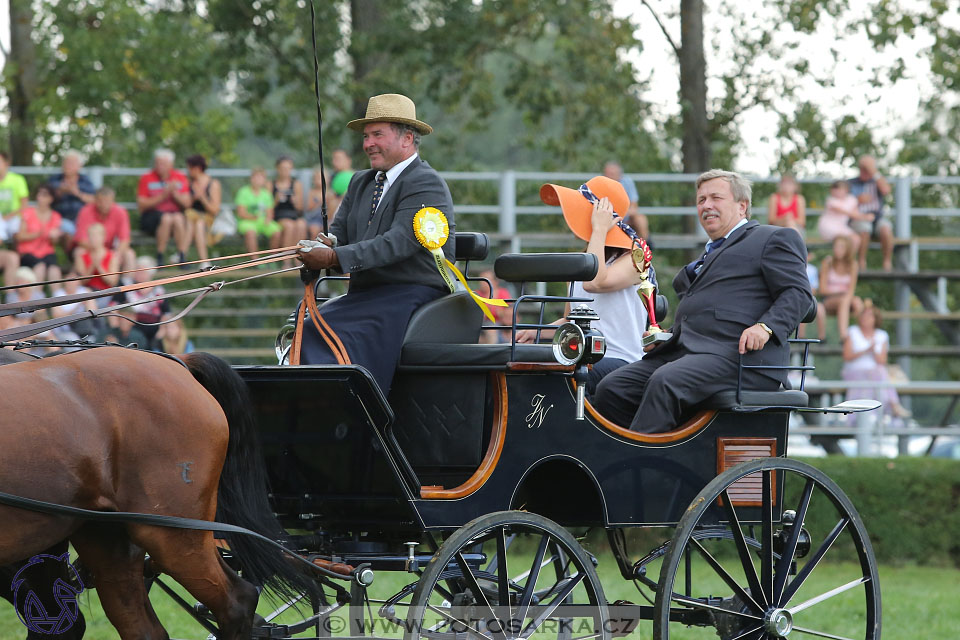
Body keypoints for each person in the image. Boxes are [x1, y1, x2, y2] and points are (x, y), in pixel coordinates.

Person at [591, 169, 813, 433]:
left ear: (742, 206)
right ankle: (650, 461)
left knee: (666, 381)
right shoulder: (707, 254)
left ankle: (640, 468)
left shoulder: (771, 238)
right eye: (701, 200)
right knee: (613, 387)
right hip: (688, 354)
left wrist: (765, 327)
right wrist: (667, 337)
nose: (706, 205)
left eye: (716, 198)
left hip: (741, 359)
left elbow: (799, 294)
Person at [296, 93, 455, 394]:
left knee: (333, 328)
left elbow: (398, 242)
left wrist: (332, 257)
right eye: (366, 136)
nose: (368, 144)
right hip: (367, 294)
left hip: (409, 293)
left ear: (407, 138)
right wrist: (324, 243)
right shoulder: (362, 181)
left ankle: (362, 409)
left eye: (377, 134)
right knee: (305, 322)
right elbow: (339, 231)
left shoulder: (425, 182)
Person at [517, 177, 650, 394]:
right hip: (582, 356)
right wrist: (537, 332)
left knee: (561, 376)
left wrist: (600, 229)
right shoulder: (583, 260)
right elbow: (571, 321)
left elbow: (594, 282)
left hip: (621, 360)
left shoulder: (636, 257)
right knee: (525, 369)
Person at [842, 302, 910, 418]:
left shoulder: (882, 335)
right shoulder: (852, 331)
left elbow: (882, 360)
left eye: (869, 316)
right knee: (878, 374)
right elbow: (847, 356)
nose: (865, 318)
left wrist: (873, 351)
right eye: (864, 315)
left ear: (875, 319)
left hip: (875, 374)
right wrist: (866, 350)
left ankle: (878, 413)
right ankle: (892, 405)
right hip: (855, 372)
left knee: (878, 372)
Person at [137, 148, 192, 266]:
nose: (159, 166)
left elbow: (187, 204)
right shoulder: (147, 178)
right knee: (167, 218)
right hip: (152, 216)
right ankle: (160, 255)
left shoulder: (179, 177)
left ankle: (182, 255)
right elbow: (142, 204)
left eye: (163, 164)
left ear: (171, 164)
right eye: (157, 163)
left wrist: (175, 194)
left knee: (177, 218)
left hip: (175, 217)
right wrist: (163, 195)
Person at [848, 155, 895, 271]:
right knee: (864, 229)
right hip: (858, 217)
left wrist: (873, 171)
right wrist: (857, 200)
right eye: (863, 168)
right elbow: (844, 203)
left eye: (867, 168)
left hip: (877, 217)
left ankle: (887, 261)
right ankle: (861, 261)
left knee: (886, 229)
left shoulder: (877, 181)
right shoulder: (851, 183)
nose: (865, 170)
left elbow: (886, 190)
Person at [75, 186, 136, 274]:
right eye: (101, 201)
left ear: (113, 201)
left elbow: (125, 239)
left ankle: (128, 284)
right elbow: (81, 240)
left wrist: (116, 254)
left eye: (107, 201)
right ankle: (81, 283)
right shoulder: (85, 211)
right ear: (95, 200)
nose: (104, 204)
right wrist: (100, 252)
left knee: (129, 254)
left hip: (111, 249)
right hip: (91, 248)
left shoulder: (120, 212)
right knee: (79, 252)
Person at [15, 183, 63, 283]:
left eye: (43, 194)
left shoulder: (55, 216)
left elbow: (54, 242)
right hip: (27, 252)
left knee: (55, 270)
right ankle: (38, 297)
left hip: (47, 252)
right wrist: (39, 233)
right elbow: (19, 236)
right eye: (39, 193)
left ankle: (59, 296)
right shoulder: (28, 212)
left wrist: (54, 237)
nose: (39, 197)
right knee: (40, 267)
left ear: (51, 198)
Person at [819, 235, 863, 341]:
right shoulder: (828, 262)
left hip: (846, 299)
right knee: (845, 300)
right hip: (830, 300)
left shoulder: (853, 265)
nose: (837, 250)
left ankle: (859, 336)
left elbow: (851, 290)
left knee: (858, 303)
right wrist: (840, 292)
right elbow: (822, 290)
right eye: (836, 246)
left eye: (841, 247)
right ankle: (844, 336)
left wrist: (845, 295)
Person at [48, 149, 95, 245]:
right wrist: (60, 192)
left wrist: (77, 193)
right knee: (65, 232)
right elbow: (45, 198)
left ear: (79, 166)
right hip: (58, 220)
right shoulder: (54, 180)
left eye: (72, 163)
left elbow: (94, 200)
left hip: (81, 220)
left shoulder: (85, 181)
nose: (68, 165)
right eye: (66, 162)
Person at [185, 154, 221, 264]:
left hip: (208, 220)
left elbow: (215, 210)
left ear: (197, 168)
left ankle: (203, 260)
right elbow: (185, 205)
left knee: (199, 223)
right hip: (190, 220)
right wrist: (193, 198)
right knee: (189, 220)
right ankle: (183, 255)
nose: (188, 171)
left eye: (189, 168)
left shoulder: (213, 184)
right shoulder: (190, 183)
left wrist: (202, 197)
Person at [235, 168, 281, 253]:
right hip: (247, 221)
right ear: (251, 179)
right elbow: (241, 213)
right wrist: (253, 217)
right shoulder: (243, 192)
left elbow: (269, 212)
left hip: (262, 221)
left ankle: (272, 258)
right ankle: (255, 261)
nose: (257, 180)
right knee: (251, 232)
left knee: (276, 231)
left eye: (260, 178)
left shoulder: (266, 194)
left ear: (264, 180)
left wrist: (268, 218)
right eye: (255, 177)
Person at [273, 155, 306, 265]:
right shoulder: (271, 184)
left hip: (293, 214)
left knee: (301, 224)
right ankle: (286, 260)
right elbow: (268, 207)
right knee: (289, 226)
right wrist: (276, 200)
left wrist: (295, 201)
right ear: (278, 169)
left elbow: (300, 208)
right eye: (283, 168)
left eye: (288, 169)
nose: (285, 171)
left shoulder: (296, 184)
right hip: (279, 215)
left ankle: (299, 259)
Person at [817, 180, 869, 250]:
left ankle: (849, 259)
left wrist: (864, 216)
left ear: (846, 190)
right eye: (835, 190)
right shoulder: (831, 200)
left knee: (856, 239)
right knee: (842, 241)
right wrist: (865, 217)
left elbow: (855, 214)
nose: (836, 192)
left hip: (841, 227)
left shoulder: (852, 199)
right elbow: (847, 213)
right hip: (829, 226)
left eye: (839, 189)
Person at [0, 151, 28, 279]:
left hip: (14, 216)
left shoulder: (17, 180)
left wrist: (9, 216)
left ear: (6, 163)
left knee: (20, 229)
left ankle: (20, 259)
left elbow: (24, 205)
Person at [603, 161, 649, 240]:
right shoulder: (601, 183)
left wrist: (621, 216)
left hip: (625, 217)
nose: (610, 176)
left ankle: (645, 245)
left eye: (612, 174)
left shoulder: (627, 182)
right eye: (608, 174)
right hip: (605, 217)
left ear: (619, 174)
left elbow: (634, 206)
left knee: (640, 219)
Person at [74, 223, 120, 298]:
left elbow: (113, 282)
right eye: (91, 236)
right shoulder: (82, 256)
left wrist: (99, 267)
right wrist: (92, 266)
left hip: (106, 294)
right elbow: (81, 282)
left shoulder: (112, 256)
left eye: (96, 236)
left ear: (104, 238)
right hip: (87, 294)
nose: (93, 239)